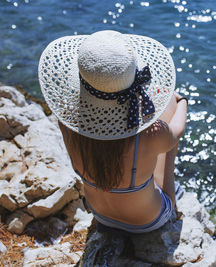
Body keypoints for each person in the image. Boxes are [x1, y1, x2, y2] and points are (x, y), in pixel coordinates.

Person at [38, 30, 187, 233]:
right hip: (148, 222)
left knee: (155, 137)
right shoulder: (152, 134)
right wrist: (181, 100)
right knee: (168, 121)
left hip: (100, 215)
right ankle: (172, 195)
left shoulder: (66, 120)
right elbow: (177, 131)